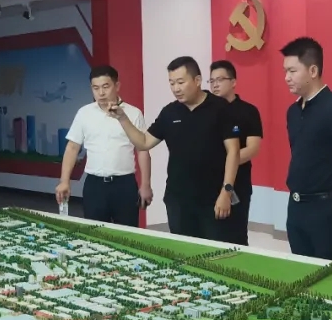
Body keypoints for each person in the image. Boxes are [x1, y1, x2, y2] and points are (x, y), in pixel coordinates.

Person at [109, 56, 240, 241]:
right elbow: (144, 142)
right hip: (178, 200)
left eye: (180, 82)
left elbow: (233, 151)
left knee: (215, 253)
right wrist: (122, 118)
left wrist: (226, 192)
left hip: (213, 198)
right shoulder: (169, 112)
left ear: (197, 80)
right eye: (171, 83)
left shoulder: (221, 108)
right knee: (184, 251)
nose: (176, 88)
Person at [282, 37, 332, 262]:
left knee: (329, 274)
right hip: (296, 205)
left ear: (313, 70)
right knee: (302, 270)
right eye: (285, 71)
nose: (286, 77)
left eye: (292, 71)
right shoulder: (293, 111)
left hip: (326, 208)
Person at [55, 65, 152, 226]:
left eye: (106, 87)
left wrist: (146, 184)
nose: (101, 93)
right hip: (95, 186)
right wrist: (64, 181)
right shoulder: (84, 113)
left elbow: (142, 150)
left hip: (124, 184)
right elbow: (72, 148)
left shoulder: (133, 113)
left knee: (128, 233)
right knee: (95, 233)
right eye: (96, 88)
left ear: (117, 86)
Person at [209, 60, 263, 245]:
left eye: (220, 80)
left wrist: (227, 163)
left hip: (237, 186)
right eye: (211, 81)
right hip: (207, 185)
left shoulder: (248, 111)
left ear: (233, 82)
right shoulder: (207, 111)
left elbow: (253, 148)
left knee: (235, 236)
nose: (215, 85)